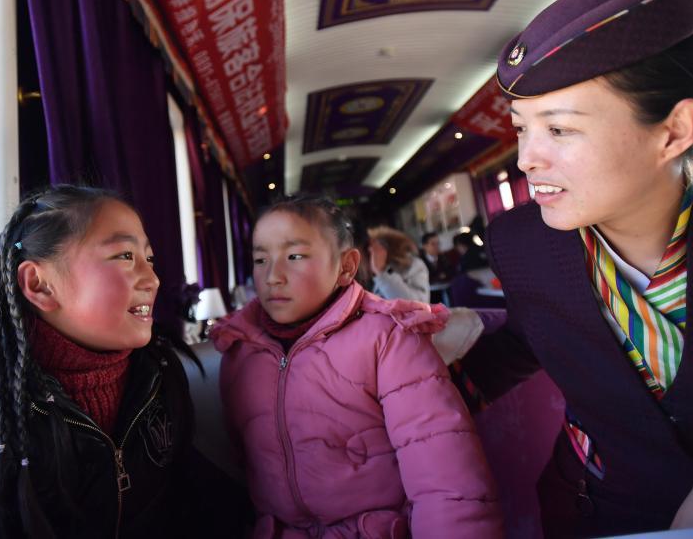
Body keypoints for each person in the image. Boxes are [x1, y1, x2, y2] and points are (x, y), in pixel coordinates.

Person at [445, 0, 693, 536]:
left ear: (675, 130)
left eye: (559, 130)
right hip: (590, 506)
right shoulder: (522, 243)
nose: (527, 159)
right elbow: (540, 336)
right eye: (521, 129)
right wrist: (405, 374)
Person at [0, 185, 246, 538]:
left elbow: (184, 506)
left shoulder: (157, 374)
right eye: (125, 256)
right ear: (39, 285)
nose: (152, 279)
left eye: (148, 259)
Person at [210, 194, 502, 538]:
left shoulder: (389, 338)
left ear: (346, 266)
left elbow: (447, 482)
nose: (273, 276)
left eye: (294, 256)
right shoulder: (240, 352)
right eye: (260, 259)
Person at [368, 225, 430, 302]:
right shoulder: (367, 272)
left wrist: (382, 272)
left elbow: (418, 303)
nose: (371, 251)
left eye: (374, 248)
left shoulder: (415, 265)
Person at [420, 231, 457, 304]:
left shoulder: (444, 258)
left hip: (446, 290)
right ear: (425, 246)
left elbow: (452, 272)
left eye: (438, 243)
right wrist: (439, 276)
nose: (437, 246)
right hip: (430, 295)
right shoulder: (420, 262)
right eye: (433, 244)